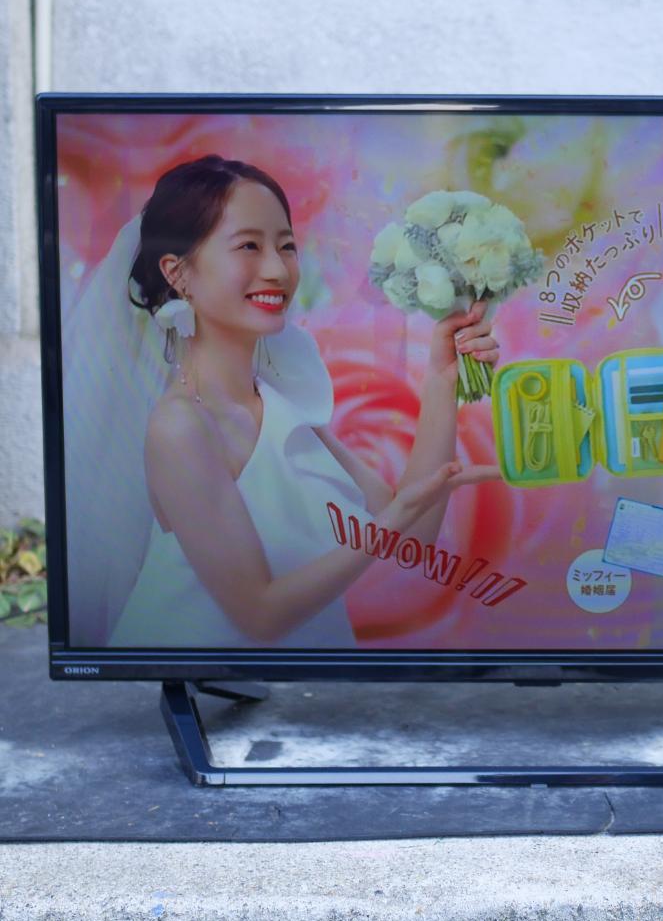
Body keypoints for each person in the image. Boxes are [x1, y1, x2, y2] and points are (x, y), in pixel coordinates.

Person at [66, 155, 500, 648]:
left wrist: (442, 382)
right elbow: (260, 615)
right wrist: (390, 524)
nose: (277, 269)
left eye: (286, 246)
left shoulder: (282, 406)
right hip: (202, 677)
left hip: (286, 682)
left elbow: (413, 540)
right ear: (178, 272)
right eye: (248, 245)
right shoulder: (180, 427)